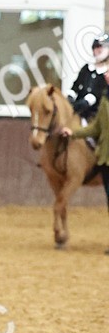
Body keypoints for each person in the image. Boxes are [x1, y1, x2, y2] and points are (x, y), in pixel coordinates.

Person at [62, 55, 109, 252]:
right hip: (106, 157)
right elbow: (95, 128)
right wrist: (73, 133)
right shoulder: (106, 101)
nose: (106, 76)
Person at [67, 35, 109, 121]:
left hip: (98, 116)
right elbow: (76, 85)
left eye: (103, 47)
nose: (99, 50)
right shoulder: (86, 68)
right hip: (78, 112)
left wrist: (89, 100)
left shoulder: (107, 72)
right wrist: (70, 96)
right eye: (96, 47)